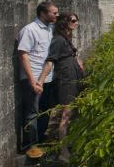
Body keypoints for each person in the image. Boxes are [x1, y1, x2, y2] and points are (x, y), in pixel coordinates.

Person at [38, 12, 83, 162]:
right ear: (65, 22)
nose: (76, 23)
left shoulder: (66, 38)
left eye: (76, 20)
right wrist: (40, 81)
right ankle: (63, 152)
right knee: (66, 114)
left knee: (71, 113)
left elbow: (72, 56)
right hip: (66, 80)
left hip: (73, 78)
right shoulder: (58, 40)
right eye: (73, 21)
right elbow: (50, 61)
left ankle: (68, 143)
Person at [17, 1, 59, 157]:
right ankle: (30, 146)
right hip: (32, 78)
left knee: (44, 111)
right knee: (31, 113)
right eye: (54, 13)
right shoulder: (30, 30)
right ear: (43, 13)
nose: (57, 15)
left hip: (47, 78)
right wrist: (31, 80)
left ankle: (41, 140)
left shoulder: (50, 29)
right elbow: (23, 55)